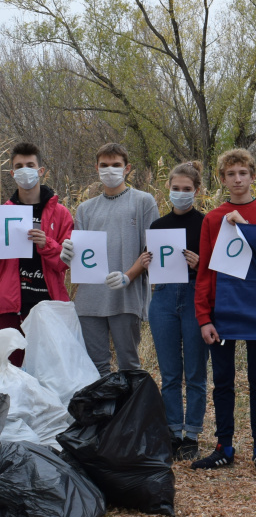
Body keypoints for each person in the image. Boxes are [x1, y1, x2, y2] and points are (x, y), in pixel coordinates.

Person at [192, 148, 256, 476]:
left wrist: (246, 227)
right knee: (223, 381)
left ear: (253, 176)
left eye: (243, 173)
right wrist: (204, 317)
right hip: (223, 309)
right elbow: (204, 270)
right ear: (222, 179)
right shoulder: (212, 219)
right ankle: (224, 447)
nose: (238, 179)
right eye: (231, 174)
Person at [60, 143, 158, 377]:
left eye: (116, 165)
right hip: (90, 300)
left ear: (127, 168)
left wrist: (128, 277)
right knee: (96, 368)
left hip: (126, 296)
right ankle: (103, 403)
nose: (110, 170)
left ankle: (131, 403)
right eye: (104, 165)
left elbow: (152, 249)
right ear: (96, 168)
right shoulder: (85, 209)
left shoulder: (143, 201)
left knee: (129, 366)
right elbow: (82, 256)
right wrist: (68, 256)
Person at [142, 162, 208, 461]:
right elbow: (155, 265)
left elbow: (216, 268)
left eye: (187, 189)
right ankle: (173, 432)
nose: (181, 193)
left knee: (195, 371)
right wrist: (146, 264)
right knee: (169, 373)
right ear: (168, 188)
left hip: (195, 295)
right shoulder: (158, 226)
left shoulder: (205, 223)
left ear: (197, 191)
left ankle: (192, 434)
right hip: (164, 296)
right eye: (176, 188)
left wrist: (201, 264)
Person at [1, 142, 73, 367]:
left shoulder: (61, 213)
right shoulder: (4, 213)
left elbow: (65, 263)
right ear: (12, 173)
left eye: (30, 165)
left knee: (49, 371)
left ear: (41, 171)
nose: (25, 170)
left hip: (48, 303)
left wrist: (46, 244)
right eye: (19, 166)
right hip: (11, 306)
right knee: (11, 372)